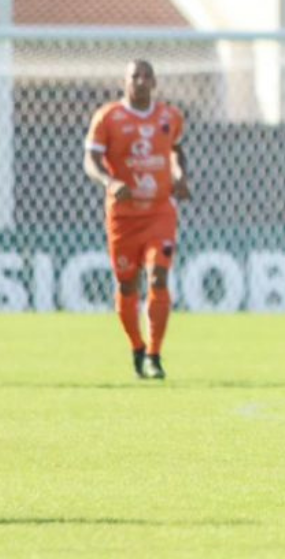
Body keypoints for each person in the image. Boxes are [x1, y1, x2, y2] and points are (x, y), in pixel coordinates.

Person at [83, 59, 189, 380]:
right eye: (134, 76)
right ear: (124, 82)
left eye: (146, 76)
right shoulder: (108, 117)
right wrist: (110, 182)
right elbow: (92, 159)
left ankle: (155, 355)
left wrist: (180, 174)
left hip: (159, 211)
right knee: (128, 285)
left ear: (154, 82)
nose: (140, 81)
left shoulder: (170, 116)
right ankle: (137, 347)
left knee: (158, 277)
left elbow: (176, 151)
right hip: (123, 218)